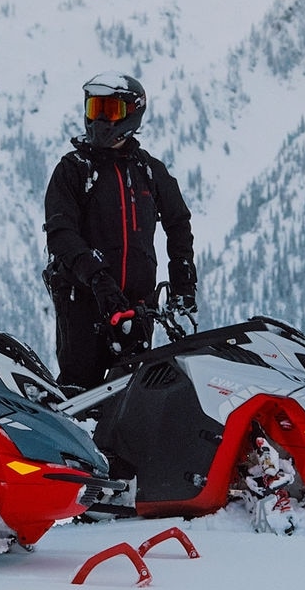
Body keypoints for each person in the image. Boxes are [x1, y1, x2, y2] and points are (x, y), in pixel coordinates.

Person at [43, 72, 197, 391]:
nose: (100, 119)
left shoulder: (148, 171)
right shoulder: (73, 169)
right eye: (94, 108)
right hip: (83, 304)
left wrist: (183, 277)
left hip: (137, 307)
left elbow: (178, 220)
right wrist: (97, 279)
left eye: (109, 111)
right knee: (79, 392)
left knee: (135, 396)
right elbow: (60, 232)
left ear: (132, 114)